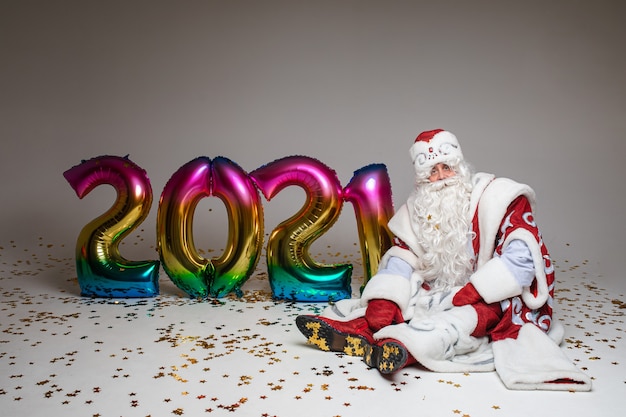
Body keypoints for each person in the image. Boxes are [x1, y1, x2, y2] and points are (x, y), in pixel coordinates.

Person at [296, 129, 591, 391]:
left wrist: (477, 291)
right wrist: (384, 299)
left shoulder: (499, 196)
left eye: (446, 168)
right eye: (431, 173)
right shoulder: (418, 207)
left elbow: (524, 255)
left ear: (459, 166)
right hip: (438, 290)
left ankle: (403, 348)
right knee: (402, 296)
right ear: (422, 179)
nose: (440, 178)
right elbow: (403, 255)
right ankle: (365, 329)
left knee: (460, 321)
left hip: (491, 298)